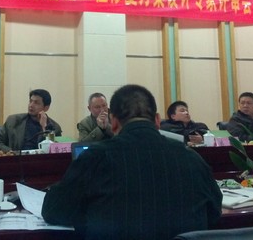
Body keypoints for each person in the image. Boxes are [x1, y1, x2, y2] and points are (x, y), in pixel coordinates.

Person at [42, 84, 222, 239]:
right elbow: (214, 211)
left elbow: (54, 210)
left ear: (113, 122)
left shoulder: (95, 158)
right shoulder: (191, 158)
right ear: (157, 120)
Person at [0, 88, 62, 153]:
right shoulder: (13, 121)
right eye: (30, 101)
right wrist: (11, 152)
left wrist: (44, 127)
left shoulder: (55, 128)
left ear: (46, 108)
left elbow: (53, 151)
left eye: (36, 103)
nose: (31, 105)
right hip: (17, 160)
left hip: (41, 161)